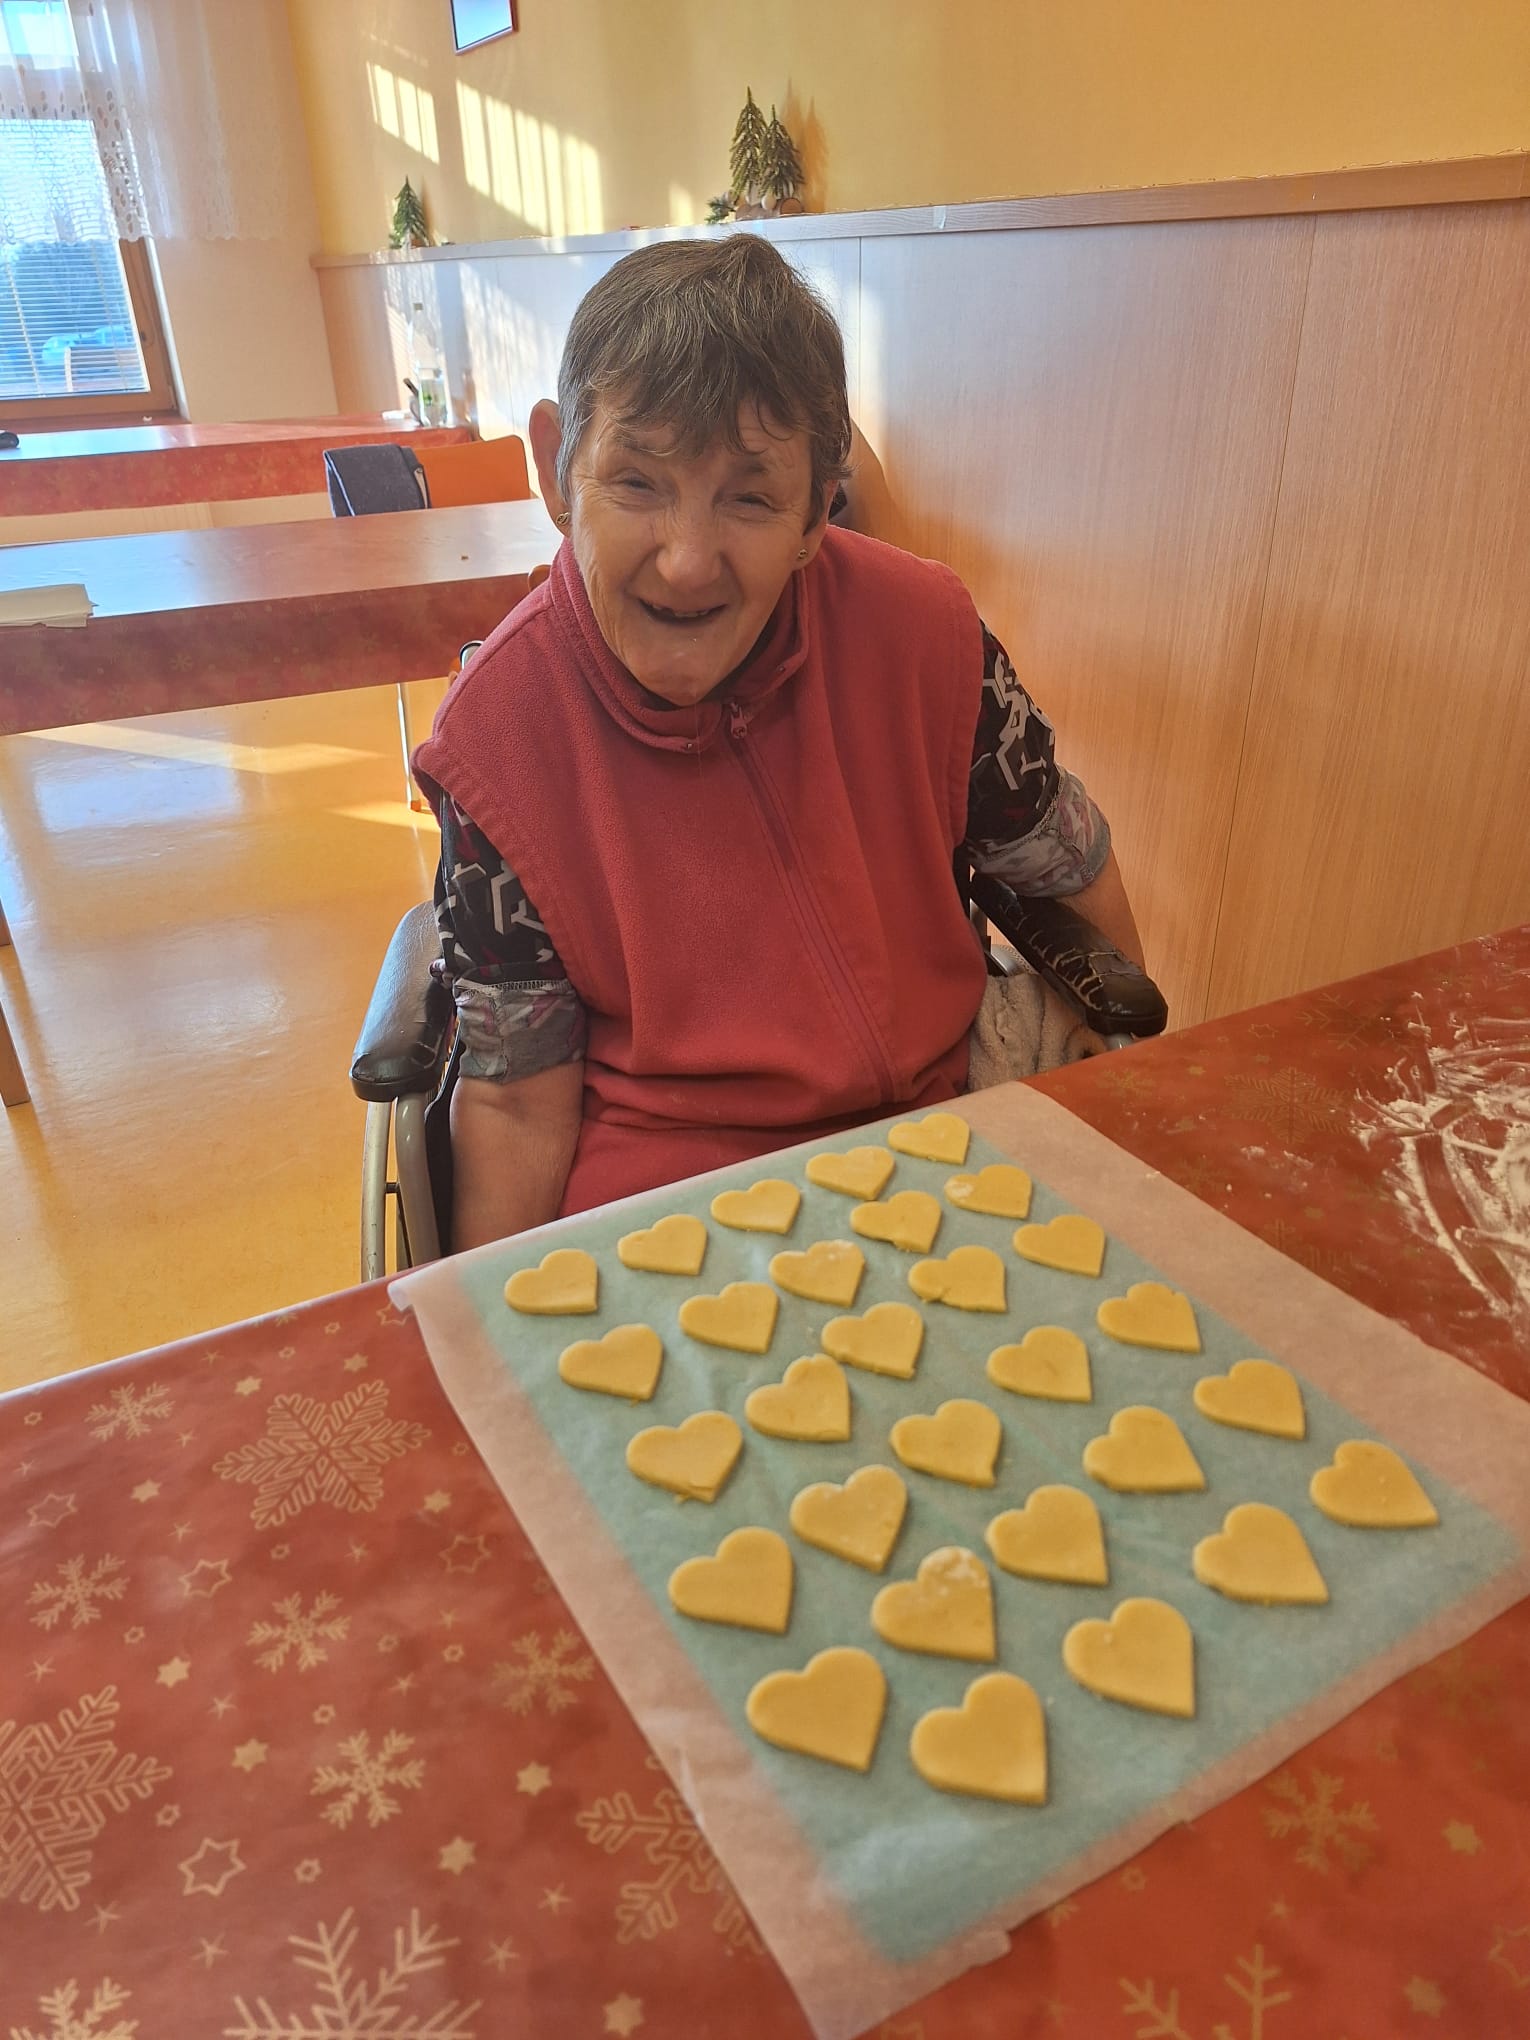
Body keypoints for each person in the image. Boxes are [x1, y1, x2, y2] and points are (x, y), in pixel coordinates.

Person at [414, 236, 1143, 1251]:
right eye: (637, 482)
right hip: (666, 1207)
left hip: (943, 1141)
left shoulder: (926, 635)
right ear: (556, 468)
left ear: (814, 511)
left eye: (750, 497)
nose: (685, 560)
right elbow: (516, 1102)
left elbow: (1071, 867)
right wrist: (494, 1321)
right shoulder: (497, 738)